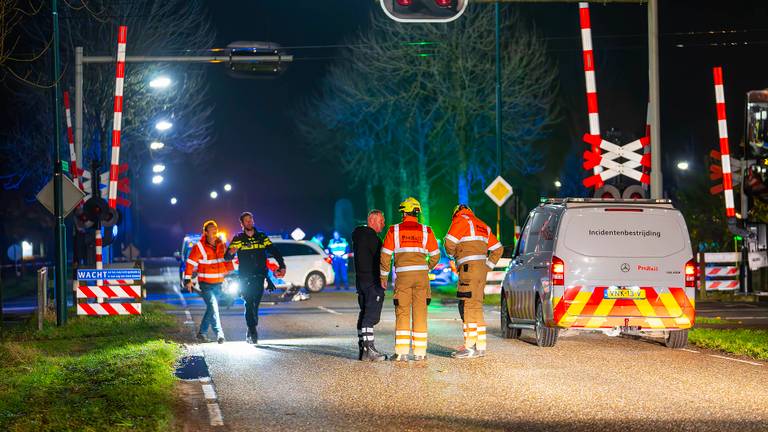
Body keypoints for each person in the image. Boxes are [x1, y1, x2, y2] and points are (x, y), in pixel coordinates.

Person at [380, 197, 440, 362]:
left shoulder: (394, 230)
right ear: (417, 212)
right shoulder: (426, 231)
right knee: (420, 313)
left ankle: (401, 353)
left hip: (403, 278)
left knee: (402, 312)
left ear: (405, 212)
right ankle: (420, 353)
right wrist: (426, 267)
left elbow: (385, 255)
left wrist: (383, 276)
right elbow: (435, 255)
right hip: (422, 277)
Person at [444, 204, 503, 358]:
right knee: (477, 306)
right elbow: (498, 249)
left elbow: (449, 244)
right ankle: (480, 347)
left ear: (456, 213)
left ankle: (469, 347)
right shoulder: (482, 224)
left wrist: (455, 257)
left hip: (468, 269)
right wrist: (487, 267)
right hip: (481, 271)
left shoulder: (460, 220)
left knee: (467, 306)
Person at [225, 212, 286, 344]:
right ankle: (252, 330)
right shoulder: (238, 238)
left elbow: (274, 250)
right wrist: (231, 252)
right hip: (245, 277)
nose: (249, 222)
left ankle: (251, 326)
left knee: (255, 303)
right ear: (242, 224)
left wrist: (282, 265)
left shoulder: (262, 237)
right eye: (246, 220)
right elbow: (227, 257)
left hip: (259, 276)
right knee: (248, 302)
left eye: (251, 219)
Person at [184, 220, 234, 344]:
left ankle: (202, 333)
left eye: (215, 228)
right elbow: (190, 263)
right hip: (205, 283)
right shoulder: (199, 247)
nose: (214, 231)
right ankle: (219, 334)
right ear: (205, 232)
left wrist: (231, 274)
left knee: (212, 308)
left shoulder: (221, 244)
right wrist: (187, 280)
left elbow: (226, 260)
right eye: (211, 229)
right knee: (213, 306)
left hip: (218, 283)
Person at [352, 209, 388, 361]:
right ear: (372, 221)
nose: (383, 224)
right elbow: (381, 260)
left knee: (364, 313)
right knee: (370, 316)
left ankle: (363, 348)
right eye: (381, 221)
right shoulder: (372, 239)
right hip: (372, 281)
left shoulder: (359, 236)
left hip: (361, 282)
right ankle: (369, 350)